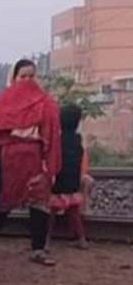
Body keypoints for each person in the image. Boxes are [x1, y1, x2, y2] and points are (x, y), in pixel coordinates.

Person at [0, 59, 61, 265]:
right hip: (9, 156)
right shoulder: (4, 100)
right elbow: (2, 130)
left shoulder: (46, 102)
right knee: (2, 200)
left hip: (35, 156)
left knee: (39, 200)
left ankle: (38, 249)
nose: (27, 80)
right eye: (23, 76)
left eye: (31, 76)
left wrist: (47, 160)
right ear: (14, 78)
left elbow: (51, 133)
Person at [48, 103, 91, 250]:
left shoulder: (57, 141)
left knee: (50, 213)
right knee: (74, 213)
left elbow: (52, 161)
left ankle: (45, 240)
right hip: (73, 184)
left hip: (58, 183)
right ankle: (81, 239)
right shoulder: (78, 140)